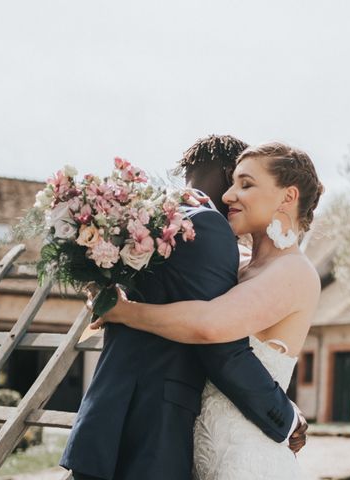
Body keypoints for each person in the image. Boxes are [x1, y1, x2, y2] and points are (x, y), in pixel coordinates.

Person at [60, 135, 307, 480]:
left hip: (108, 418)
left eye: (246, 185)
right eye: (236, 181)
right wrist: (285, 416)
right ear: (227, 170)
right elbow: (220, 346)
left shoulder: (150, 219)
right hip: (153, 431)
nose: (231, 196)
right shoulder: (207, 228)